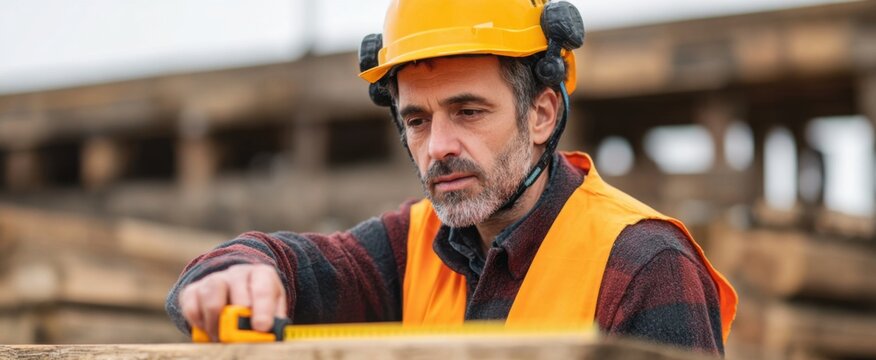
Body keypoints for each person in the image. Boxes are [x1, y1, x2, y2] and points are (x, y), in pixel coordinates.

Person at [166, 0, 737, 355]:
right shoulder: (408, 250)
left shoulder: (644, 264)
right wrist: (236, 274)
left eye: (468, 112)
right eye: (417, 120)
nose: (437, 147)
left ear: (541, 114)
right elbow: (292, 264)